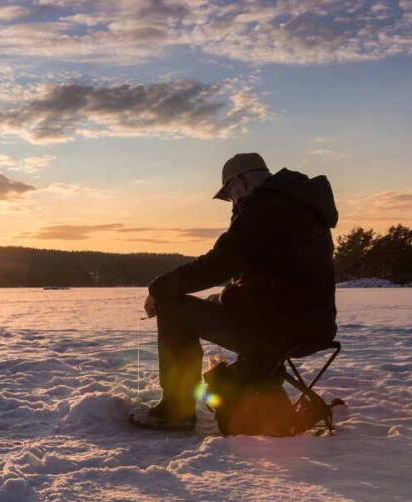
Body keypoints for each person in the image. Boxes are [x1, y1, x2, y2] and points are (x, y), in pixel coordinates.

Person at [132, 153, 338, 432]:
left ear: (240, 182)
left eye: (230, 193)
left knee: (173, 309)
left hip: (274, 331)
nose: (232, 201)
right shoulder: (299, 204)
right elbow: (274, 275)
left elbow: (218, 264)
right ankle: (255, 394)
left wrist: (159, 288)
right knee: (215, 304)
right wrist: (227, 297)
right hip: (312, 326)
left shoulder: (264, 208)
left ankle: (176, 410)